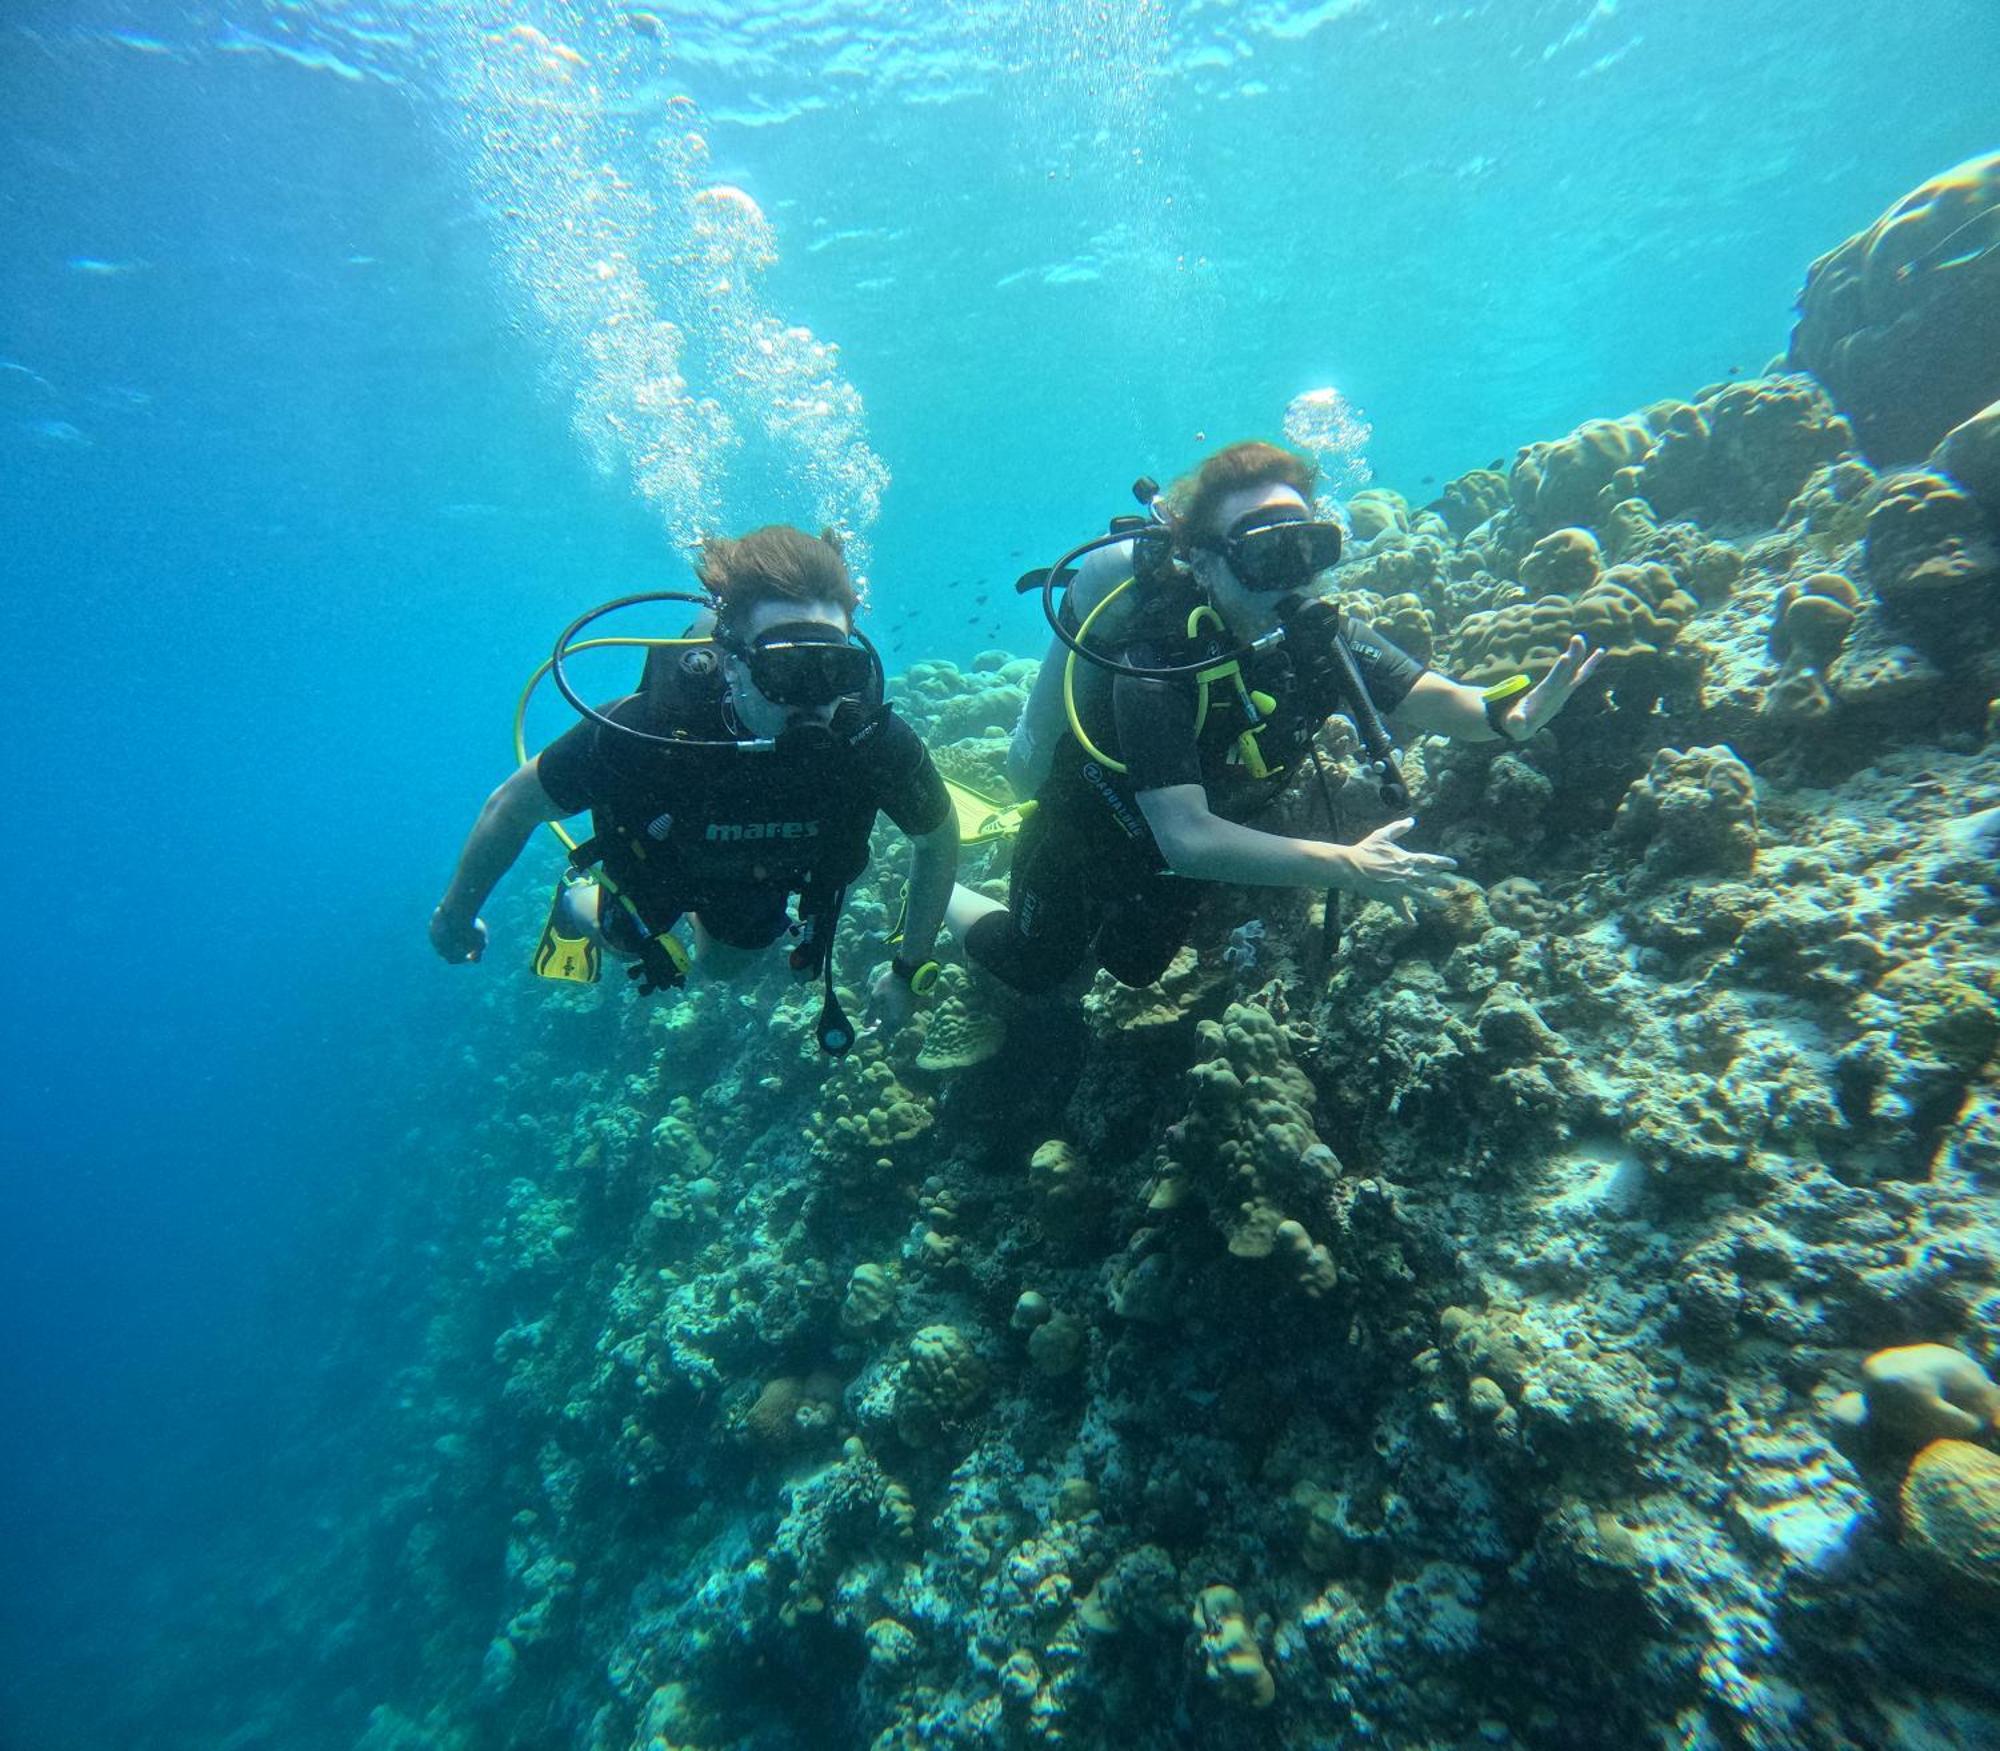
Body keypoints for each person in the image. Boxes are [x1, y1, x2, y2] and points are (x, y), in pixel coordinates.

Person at [952, 440, 1602, 993]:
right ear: (1202, 561)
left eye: (1308, 549)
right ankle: (937, 899)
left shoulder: (1318, 636)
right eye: (1266, 555)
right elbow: (1187, 837)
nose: (1292, 579)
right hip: (1093, 821)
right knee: (1043, 966)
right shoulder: (1157, 659)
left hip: (1189, 835)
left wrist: (1506, 717)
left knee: (1133, 967)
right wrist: (1348, 864)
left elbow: (1433, 697)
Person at [431, 525, 958, 1038]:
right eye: (785, 670)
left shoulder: (869, 740)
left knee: (728, 970)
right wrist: (455, 915)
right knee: (621, 943)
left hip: (754, 877)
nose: (813, 699)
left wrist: (912, 967)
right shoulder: (642, 730)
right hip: (655, 870)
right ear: (731, 663)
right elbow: (511, 806)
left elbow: (936, 837)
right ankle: (575, 905)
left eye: (835, 669)